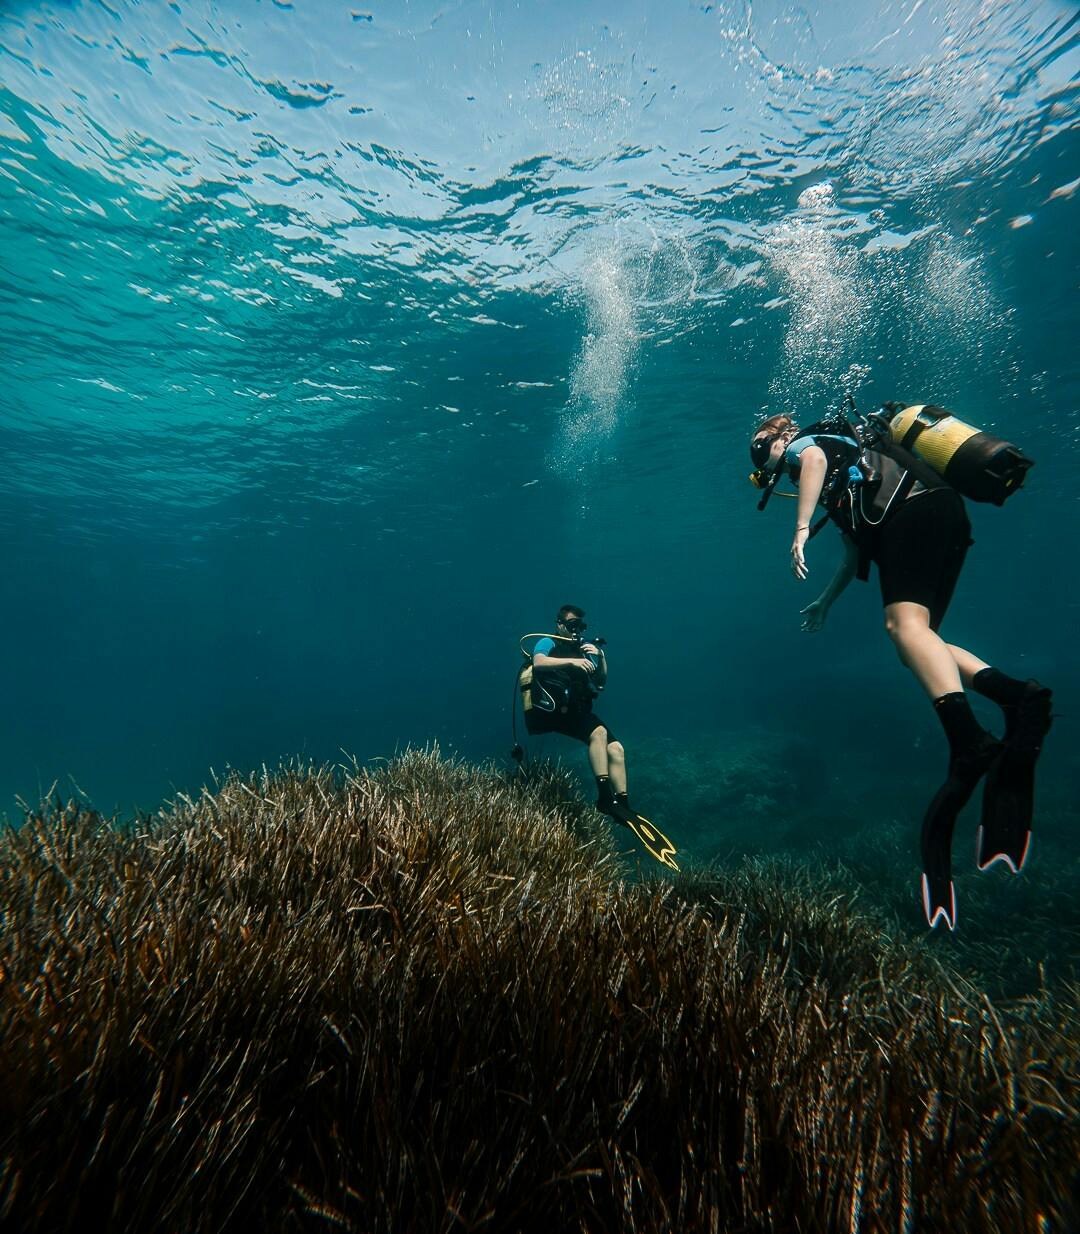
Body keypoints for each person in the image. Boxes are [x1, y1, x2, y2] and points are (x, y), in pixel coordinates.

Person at [749, 409, 1053, 929]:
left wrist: (799, 530)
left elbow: (814, 458)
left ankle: (969, 742)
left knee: (903, 630)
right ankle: (1014, 696)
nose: (769, 462)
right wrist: (824, 602)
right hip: (942, 514)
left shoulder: (811, 447)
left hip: (917, 513)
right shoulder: (851, 470)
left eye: (765, 450)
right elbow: (852, 554)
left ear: (780, 439)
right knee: (917, 637)